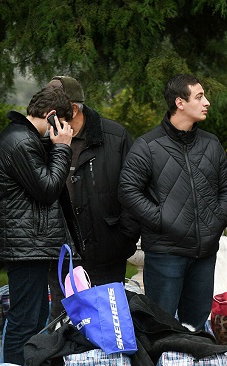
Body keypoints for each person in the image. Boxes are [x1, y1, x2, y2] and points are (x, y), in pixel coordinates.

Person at [119, 74, 227, 330]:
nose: (206, 102)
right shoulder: (147, 146)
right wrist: (162, 220)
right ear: (179, 102)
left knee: (195, 329)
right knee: (160, 328)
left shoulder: (211, 143)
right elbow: (128, 191)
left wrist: (215, 223)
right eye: (199, 96)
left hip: (204, 254)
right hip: (165, 253)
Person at [0, 86, 75, 365]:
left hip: (28, 243)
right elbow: (48, 187)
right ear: (51, 116)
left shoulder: (23, 137)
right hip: (24, 245)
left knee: (35, 317)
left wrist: (53, 145)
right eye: (63, 123)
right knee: (25, 319)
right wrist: (62, 148)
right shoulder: (21, 142)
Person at [45, 76, 140, 323]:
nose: (47, 115)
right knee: (63, 327)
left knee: (108, 326)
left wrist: (124, 238)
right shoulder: (44, 140)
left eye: (52, 108)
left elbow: (134, 190)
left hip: (107, 254)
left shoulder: (115, 136)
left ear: (73, 109)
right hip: (61, 256)